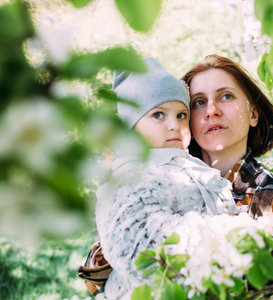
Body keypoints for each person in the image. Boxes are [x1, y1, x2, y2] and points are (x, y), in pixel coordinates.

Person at [92, 57, 239, 299]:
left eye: (182, 115)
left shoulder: (186, 167)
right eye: (158, 115)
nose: (174, 125)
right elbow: (135, 245)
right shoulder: (132, 176)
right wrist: (224, 231)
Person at [181, 54, 273, 297]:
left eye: (226, 96)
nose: (211, 110)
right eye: (198, 102)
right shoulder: (170, 187)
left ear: (253, 114)